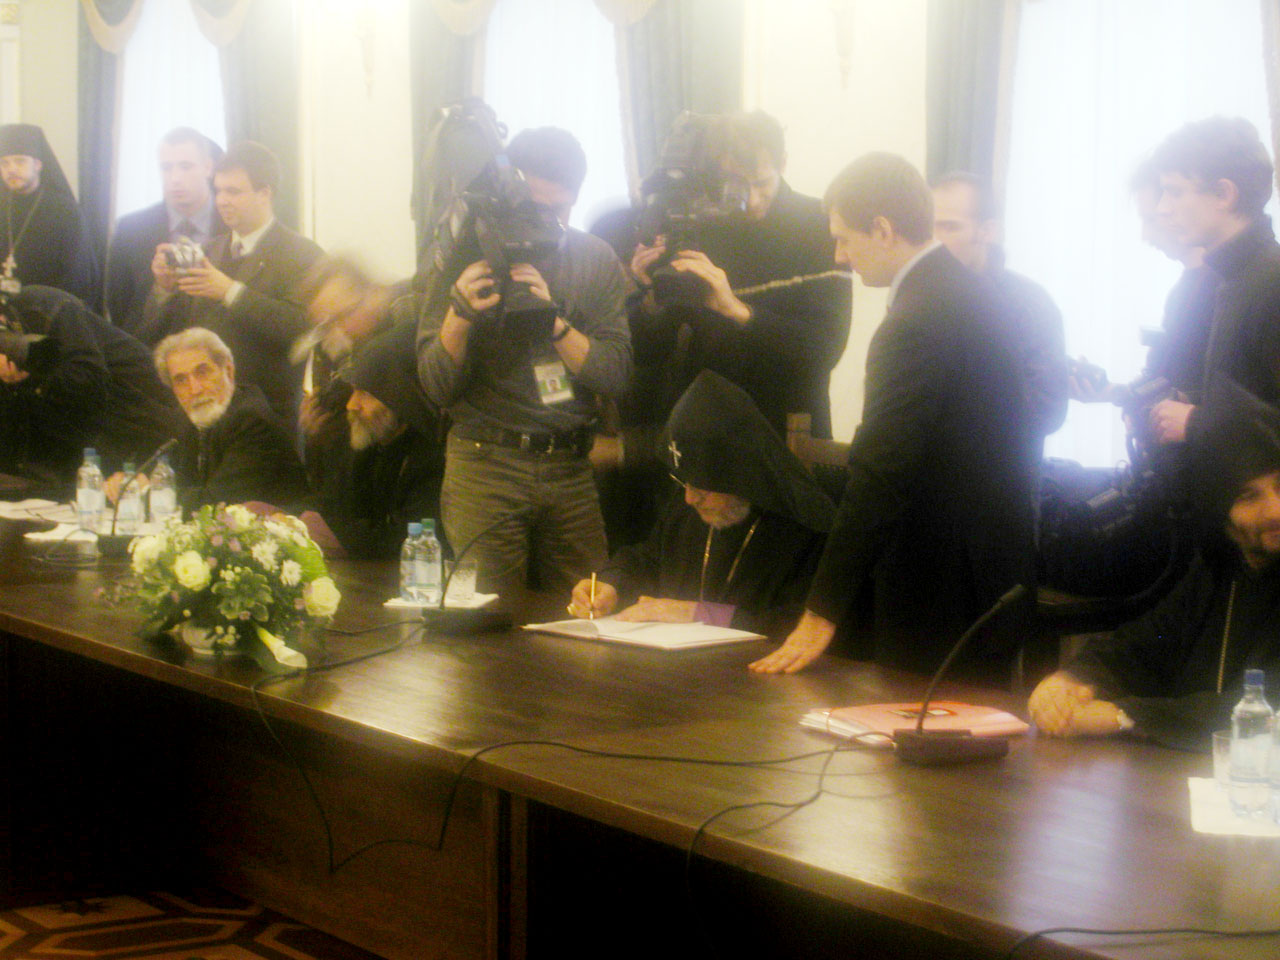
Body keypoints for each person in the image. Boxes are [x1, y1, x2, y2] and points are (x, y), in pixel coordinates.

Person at [751, 153, 1035, 679]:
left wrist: (821, 612)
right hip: (989, 569)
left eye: (844, 239)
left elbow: (880, 470)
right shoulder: (969, 290)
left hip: (940, 581)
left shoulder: (916, 319)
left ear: (882, 230)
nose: (839, 257)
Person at [416, 125, 632, 597]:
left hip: (570, 466)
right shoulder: (464, 253)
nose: (544, 222)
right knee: (488, 619)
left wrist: (553, 323)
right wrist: (459, 314)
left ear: (576, 197)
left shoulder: (594, 258)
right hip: (485, 464)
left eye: (558, 210)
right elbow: (435, 387)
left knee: (589, 611)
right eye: (533, 207)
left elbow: (615, 374)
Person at [1029, 378, 1280, 751]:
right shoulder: (1219, 569)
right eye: (1248, 496)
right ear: (1220, 514)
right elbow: (1142, 647)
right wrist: (1069, 682)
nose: (1275, 510)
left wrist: (1123, 717)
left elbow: (1270, 709)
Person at [627, 110, 852, 440]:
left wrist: (739, 311)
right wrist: (649, 293)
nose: (751, 200)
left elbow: (823, 351)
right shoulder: (700, 225)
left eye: (761, 183)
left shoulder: (820, 227)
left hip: (788, 430)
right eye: (736, 185)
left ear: (783, 163)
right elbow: (649, 353)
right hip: (708, 430)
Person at [568, 371, 834, 635]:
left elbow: (799, 625)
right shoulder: (690, 508)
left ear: (740, 478)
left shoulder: (804, 529)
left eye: (702, 489)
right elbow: (648, 559)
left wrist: (697, 613)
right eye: (683, 482)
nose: (689, 498)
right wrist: (611, 585)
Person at [141, 141, 324, 421]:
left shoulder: (303, 254)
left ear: (264, 194)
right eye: (218, 190)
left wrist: (230, 291)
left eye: (233, 191)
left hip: (269, 414)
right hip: (202, 409)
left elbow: (303, 328)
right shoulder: (207, 251)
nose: (222, 200)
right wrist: (163, 289)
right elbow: (164, 333)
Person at [1146, 116, 1280, 446]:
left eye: (1174, 192)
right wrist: (1193, 401)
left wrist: (1198, 423)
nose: (1162, 209)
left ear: (1223, 194)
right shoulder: (1231, 280)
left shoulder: (1271, 283)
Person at [932, 171, 1068, 457]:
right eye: (928, 228)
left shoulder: (1029, 304)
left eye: (949, 227)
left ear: (987, 231)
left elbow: (1046, 411)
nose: (935, 240)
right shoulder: (920, 301)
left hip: (996, 477)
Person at [0, 285, 185, 486]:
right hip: (92, 439)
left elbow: (90, 382)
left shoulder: (43, 306)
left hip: (140, 413)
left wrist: (30, 377)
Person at [312, 320, 444, 559]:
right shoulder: (363, 440)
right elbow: (329, 508)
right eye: (353, 390)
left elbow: (408, 541)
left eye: (365, 393)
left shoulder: (432, 459)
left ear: (401, 399)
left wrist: (339, 537)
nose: (352, 404)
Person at [146, 327, 308, 515]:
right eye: (181, 380)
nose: (194, 389)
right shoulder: (187, 419)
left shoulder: (253, 422)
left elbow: (216, 505)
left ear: (229, 372)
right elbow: (179, 483)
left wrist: (148, 493)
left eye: (202, 372)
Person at [105, 127, 224, 337]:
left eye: (186, 167)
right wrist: (160, 291)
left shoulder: (233, 224)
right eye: (166, 168)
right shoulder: (130, 231)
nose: (175, 178)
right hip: (152, 348)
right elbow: (120, 313)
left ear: (208, 167)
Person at [0, 123, 98, 305]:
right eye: (4, 163)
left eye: (20, 161)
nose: (11, 169)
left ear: (38, 164)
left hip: (44, 313)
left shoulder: (65, 212)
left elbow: (76, 277)